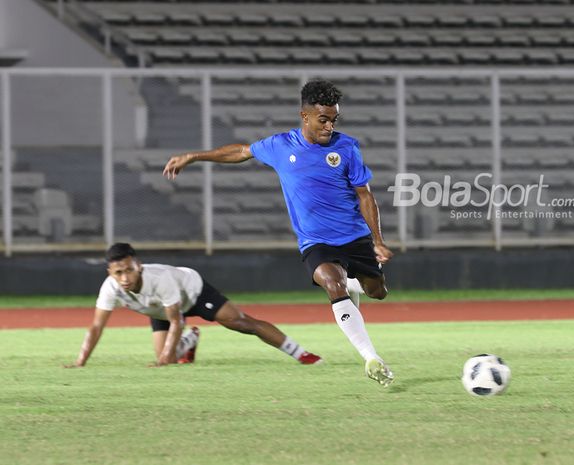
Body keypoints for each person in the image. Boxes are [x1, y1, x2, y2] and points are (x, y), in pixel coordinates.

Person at [163, 80, 395, 386]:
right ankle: (371, 358)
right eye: (323, 120)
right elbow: (241, 152)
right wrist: (194, 156)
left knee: (377, 292)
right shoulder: (282, 146)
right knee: (330, 281)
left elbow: (365, 195)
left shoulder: (347, 147)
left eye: (334, 120)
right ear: (305, 116)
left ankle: (352, 280)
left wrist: (377, 240)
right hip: (316, 242)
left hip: (354, 238)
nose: (329, 126)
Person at [65, 243, 322, 367]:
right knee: (165, 355)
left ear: (139, 265)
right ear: (110, 272)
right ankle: (191, 341)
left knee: (243, 323)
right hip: (161, 309)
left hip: (192, 292)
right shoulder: (110, 288)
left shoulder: (160, 279)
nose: (124, 278)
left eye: (128, 270)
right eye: (117, 272)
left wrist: (165, 361)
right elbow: (96, 327)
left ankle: (301, 354)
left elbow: (176, 320)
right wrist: (80, 362)